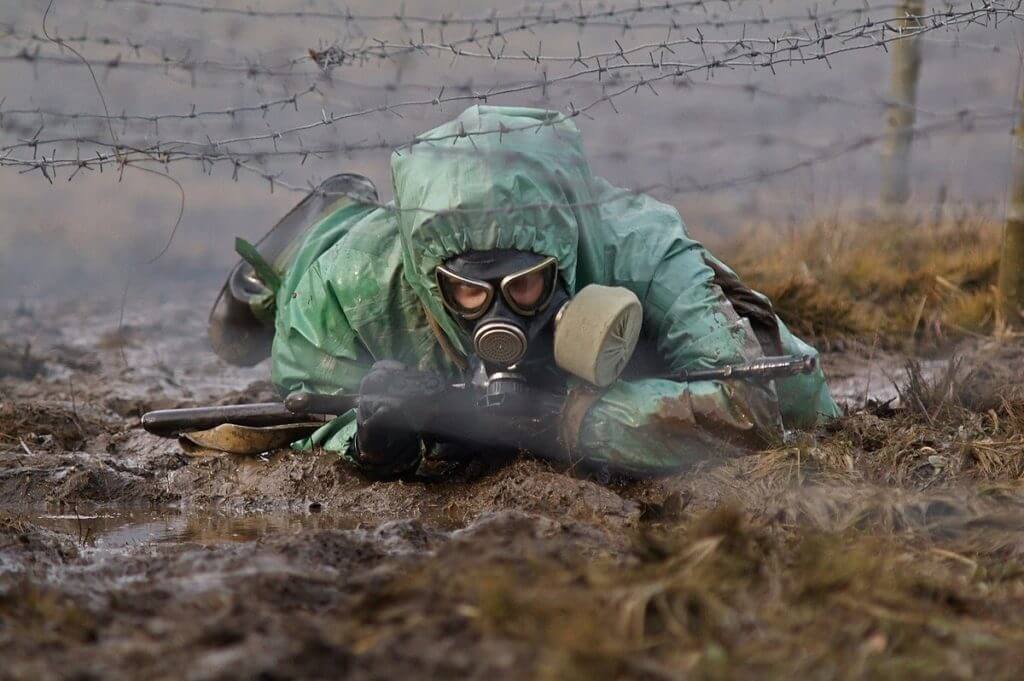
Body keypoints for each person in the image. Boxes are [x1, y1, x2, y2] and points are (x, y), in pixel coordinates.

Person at [209, 105, 839, 478]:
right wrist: (374, 440)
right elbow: (302, 400)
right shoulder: (350, 281)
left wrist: (557, 419)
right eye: (469, 293)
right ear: (430, 279)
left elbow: (764, 407)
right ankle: (329, 212)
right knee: (235, 338)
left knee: (797, 398)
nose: (500, 316)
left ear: (562, 257)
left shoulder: (641, 251)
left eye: (526, 284)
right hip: (328, 249)